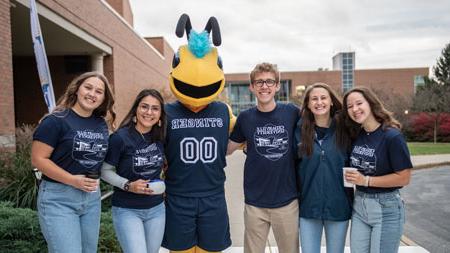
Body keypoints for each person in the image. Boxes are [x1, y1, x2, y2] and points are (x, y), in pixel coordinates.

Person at [162, 14, 234, 253]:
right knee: (180, 250)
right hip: (177, 196)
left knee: (211, 250)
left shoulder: (223, 111)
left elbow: (247, 134)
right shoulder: (166, 113)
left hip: (213, 195)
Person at [31, 72, 115, 253]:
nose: (92, 94)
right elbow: (38, 159)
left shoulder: (101, 124)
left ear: (103, 99)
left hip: (91, 198)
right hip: (58, 198)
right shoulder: (56, 120)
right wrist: (72, 180)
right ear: (76, 89)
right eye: (88, 87)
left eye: (99, 91)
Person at [228, 62, 300, 253]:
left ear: (277, 85)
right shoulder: (245, 117)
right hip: (255, 202)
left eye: (269, 81)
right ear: (252, 87)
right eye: (259, 82)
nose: (264, 86)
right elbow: (227, 148)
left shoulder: (292, 112)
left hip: (286, 201)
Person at [342, 86, 412, 253]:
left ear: (371, 103)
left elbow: (404, 177)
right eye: (350, 106)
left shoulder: (391, 136)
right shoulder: (357, 135)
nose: (355, 109)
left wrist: (365, 180)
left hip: (386, 209)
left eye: (359, 103)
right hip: (359, 207)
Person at [101, 89, 166, 253]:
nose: (149, 112)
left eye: (155, 108)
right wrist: (128, 185)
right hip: (127, 209)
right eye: (144, 106)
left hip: (157, 209)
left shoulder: (160, 137)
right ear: (136, 109)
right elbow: (104, 171)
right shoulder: (120, 138)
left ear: (160, 114)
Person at [295, 83, 353, 253]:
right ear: (307, 104)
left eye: (323, 98)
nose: (319, 102)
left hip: (338, 207)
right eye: (314, 99)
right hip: (308, 208)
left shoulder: (346, 130)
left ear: (331, 102)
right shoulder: (298, 131)